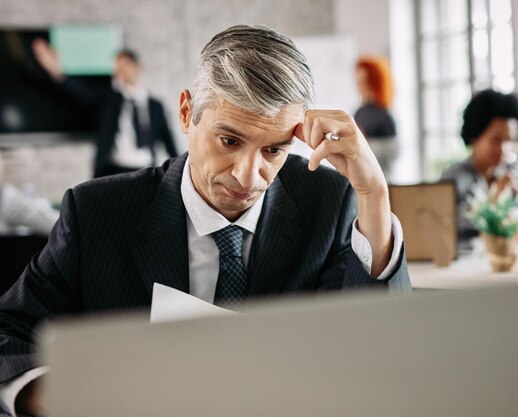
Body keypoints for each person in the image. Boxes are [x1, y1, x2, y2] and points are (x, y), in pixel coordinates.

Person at [0, 25, 411, 417]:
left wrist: (374, 193)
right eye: (229, 141)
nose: (247, 176)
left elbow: (377, 346)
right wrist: (54, 396)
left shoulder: (326, 201)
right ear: (185, 113)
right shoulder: (96, 213)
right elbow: (8, 332)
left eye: (273, 151)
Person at [32, 40, 179, 177]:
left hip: (147, 170)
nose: (120, 71)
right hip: (114, 170)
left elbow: (169, 141)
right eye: (117, 67)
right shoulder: (108, 99)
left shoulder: (155, 106)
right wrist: (57, 73)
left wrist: (180, 172)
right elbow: (81, 93)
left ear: (137, 66)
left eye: (125, 65)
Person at [440, 89, 518, 239]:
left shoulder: (510, 170)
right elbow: (444, 223)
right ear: (474, 136)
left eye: (509, 140)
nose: (504, 149)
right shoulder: (454, 178)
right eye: (496, 140)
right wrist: (494, 200)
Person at [354, 55, 398, 179]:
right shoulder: (359, 112)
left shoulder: (383, 114)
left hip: (382, 178)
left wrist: (364, 144)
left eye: (363, 81)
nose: (359, 86)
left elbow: (394, 151)